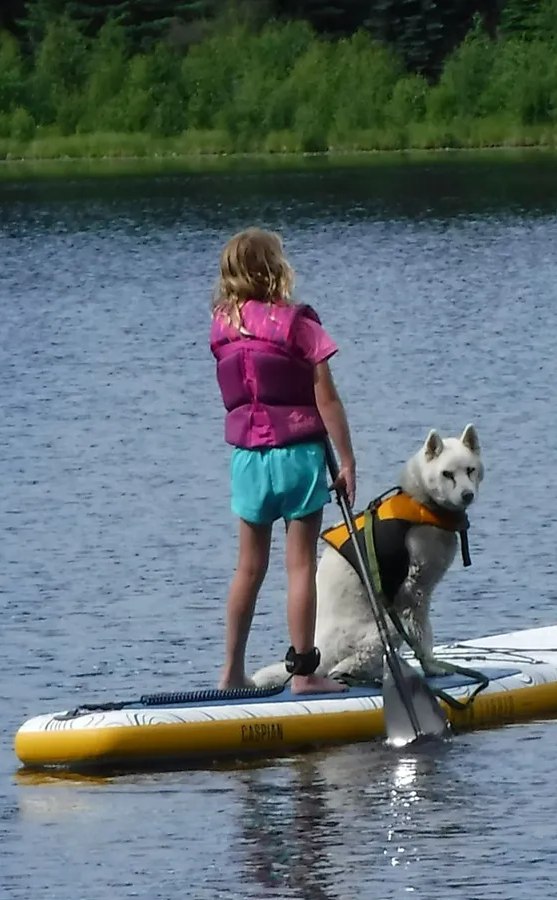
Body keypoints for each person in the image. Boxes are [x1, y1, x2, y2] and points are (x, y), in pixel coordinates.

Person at [208, 227, 356, 694]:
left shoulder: (222, 326)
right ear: (275, 269)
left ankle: (231, 671)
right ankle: (305, 674)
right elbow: (326, 398)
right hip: (298, 457)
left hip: (249, 461)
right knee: (299, 566)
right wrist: (348, 459)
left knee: (248, 569)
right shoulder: (298, 324)